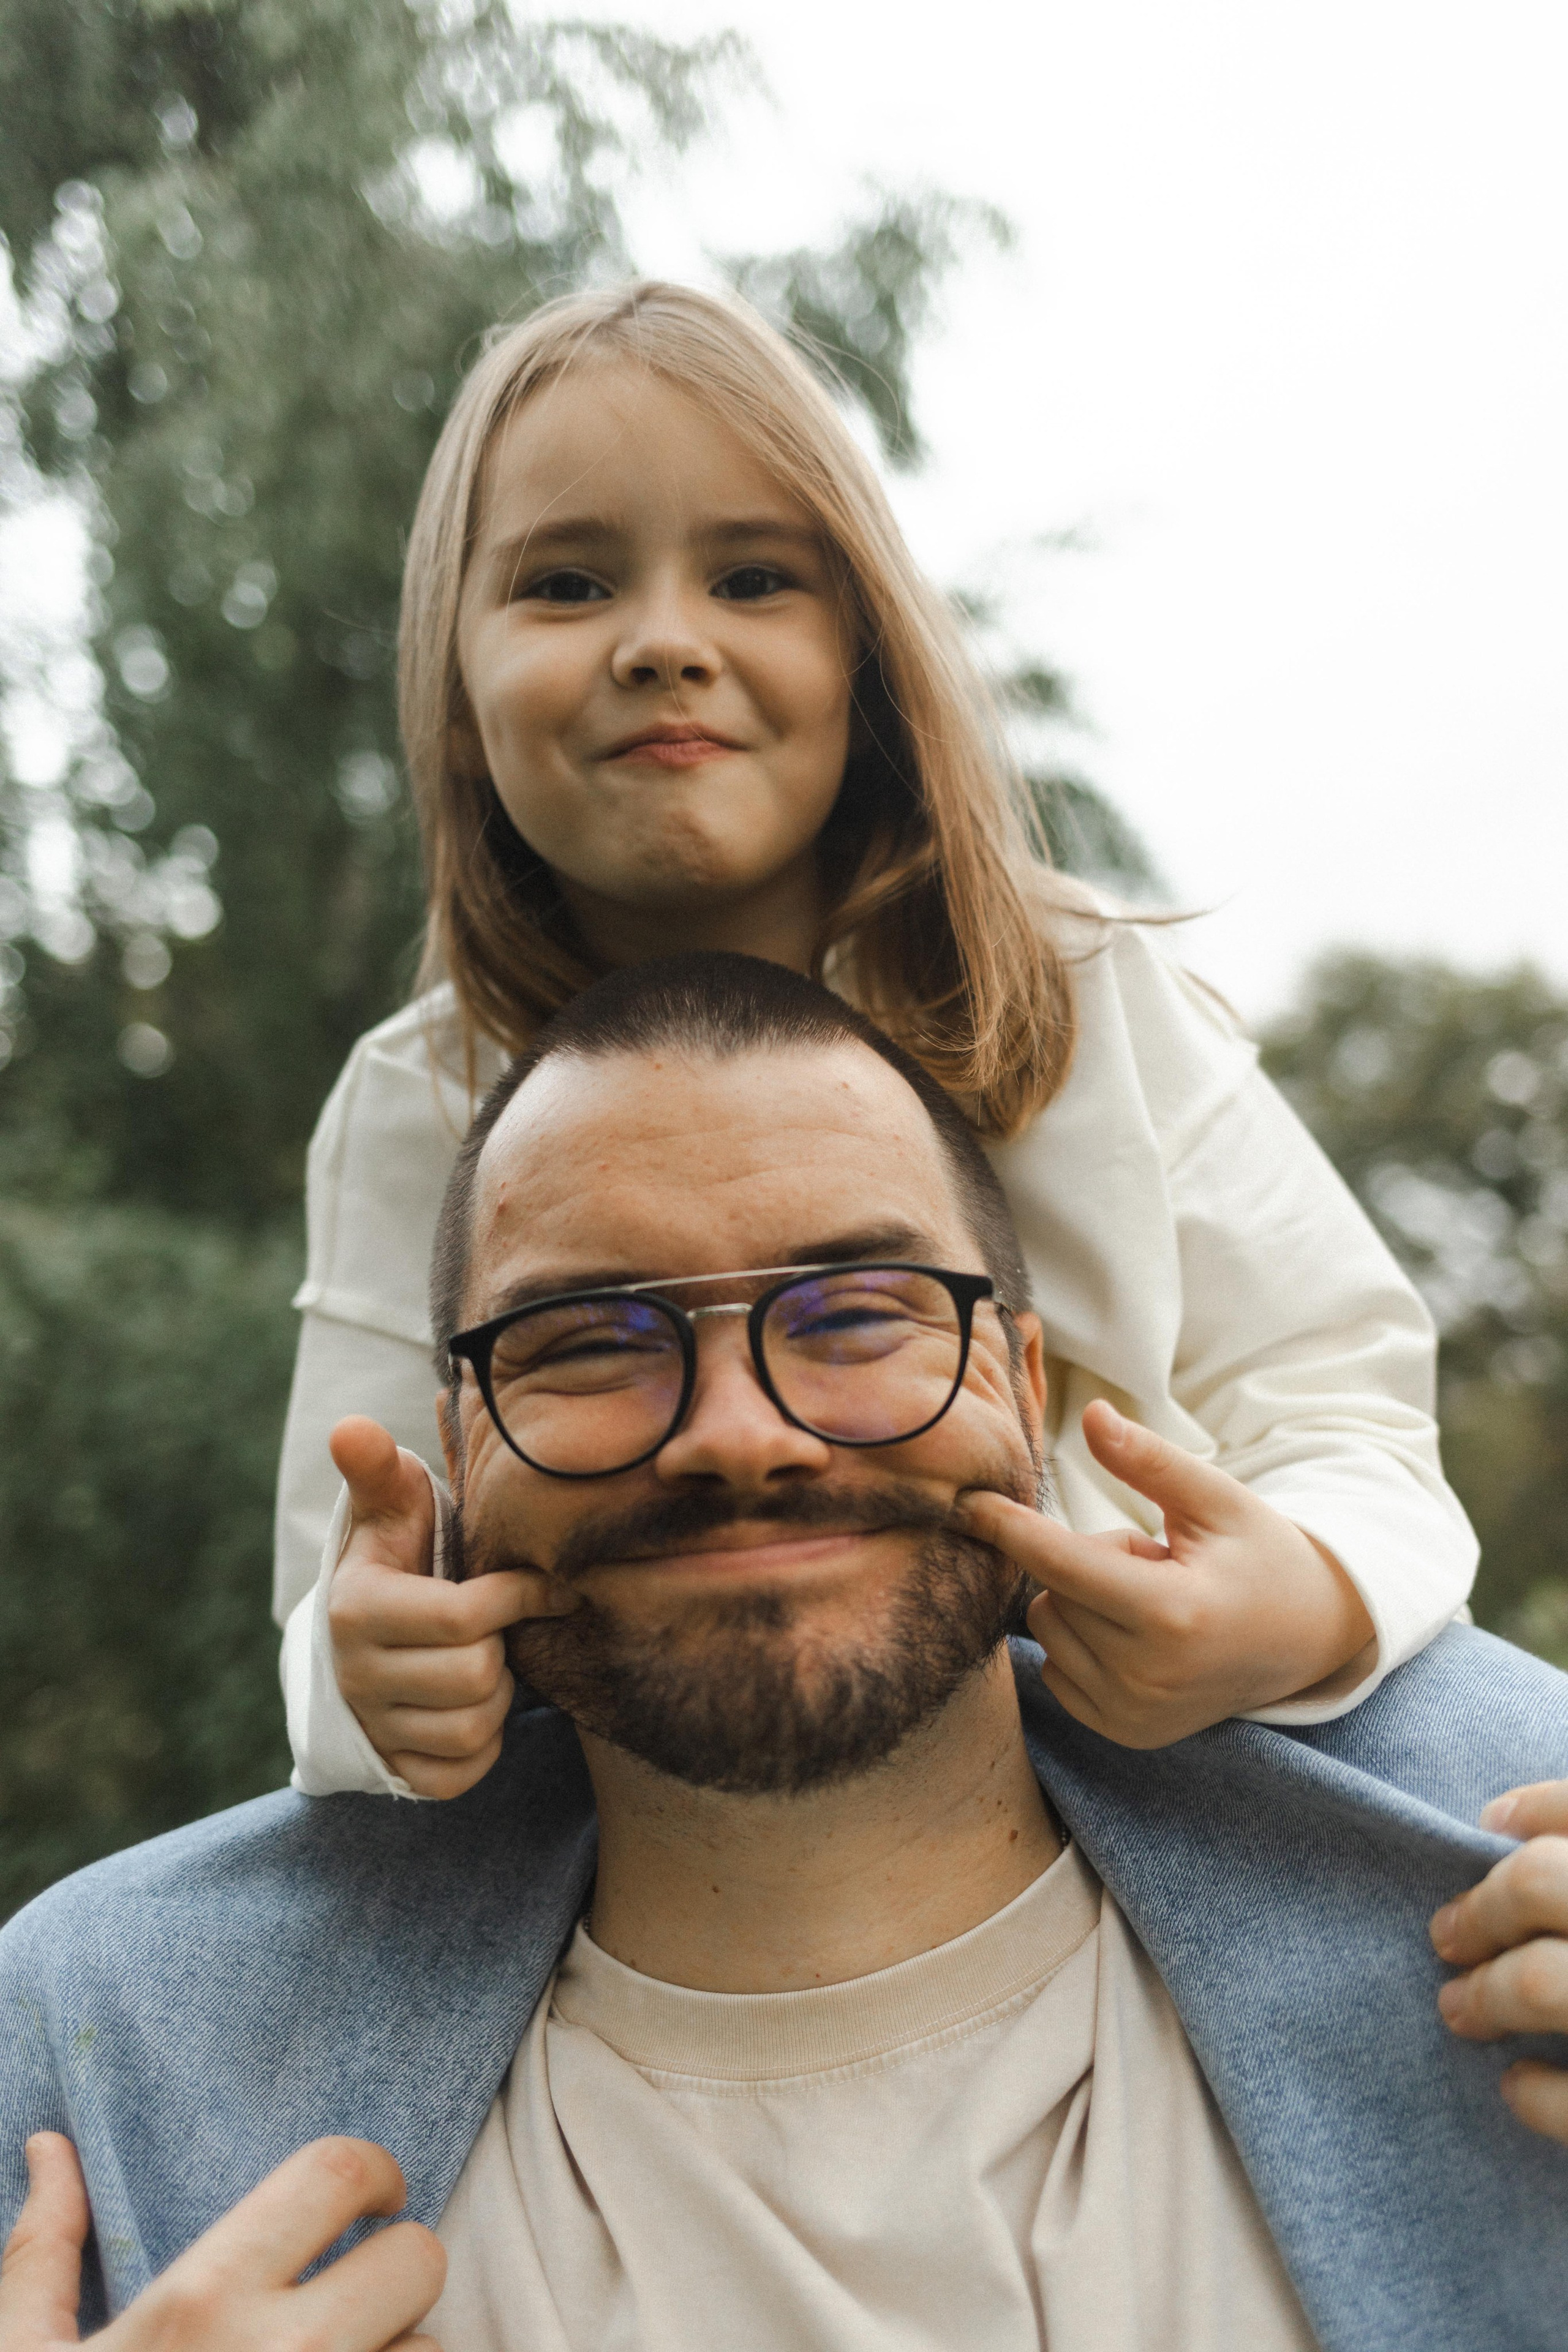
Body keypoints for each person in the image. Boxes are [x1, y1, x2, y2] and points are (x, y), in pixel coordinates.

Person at [4, 957, 1567, 2352]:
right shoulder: (93, 2062)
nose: (740, 1438)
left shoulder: (1515, 1867)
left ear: (1019, 1385)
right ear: (455, 1448)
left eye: (858, 1313)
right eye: (594, 1341)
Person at [273, 277, 1476, 1807]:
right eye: (568, 585)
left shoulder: (1067, 988)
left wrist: (1296, 1604)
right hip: (681, 1788)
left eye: (753, 579)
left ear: (867, 655)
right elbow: (351, 1570)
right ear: (455, 692)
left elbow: (1341, 1395)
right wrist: (370, 1673)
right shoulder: (414, 1099)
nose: (660, 642)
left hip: (1170, 1731)